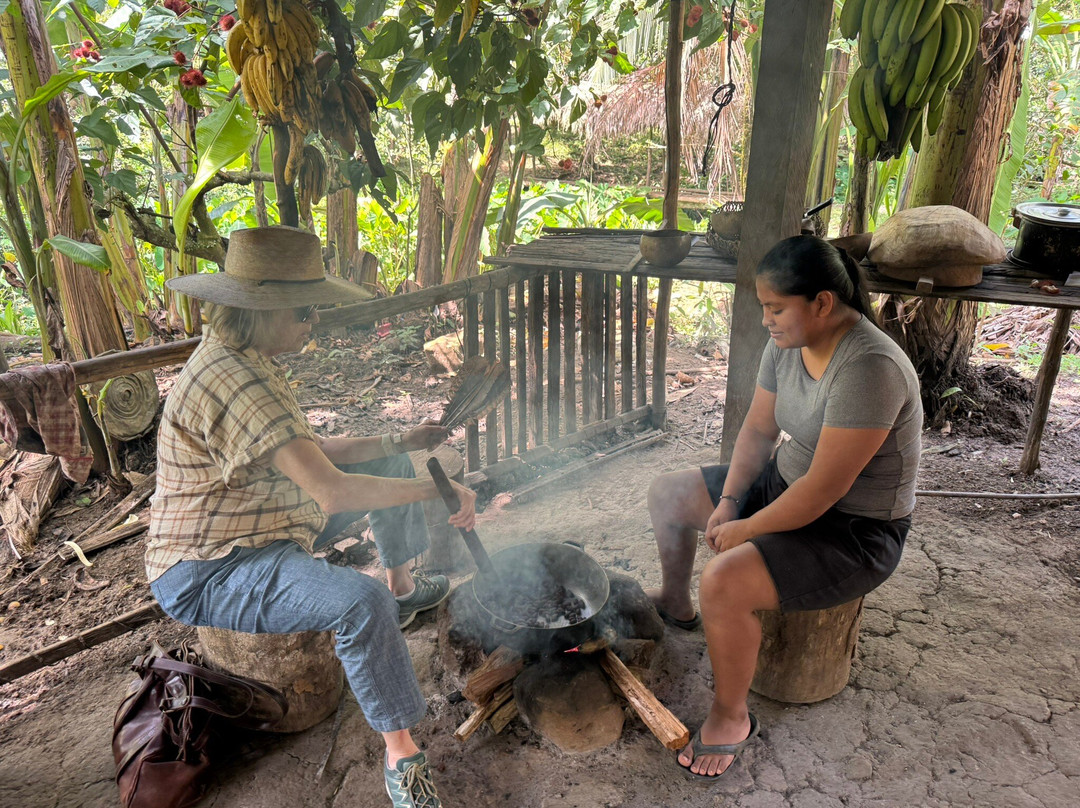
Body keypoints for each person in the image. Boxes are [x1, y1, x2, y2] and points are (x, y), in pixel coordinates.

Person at [146, 226, 473, 808]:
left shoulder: (248, 358)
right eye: (304, 311)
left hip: (263, 521)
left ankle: (402, 588)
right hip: (211, 566)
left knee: (394, 464)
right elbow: (332, 492)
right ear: (262, 309)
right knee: (358, 603)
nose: (312, 322)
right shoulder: (233, 378)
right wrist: (439, 491)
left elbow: (310, 449)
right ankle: (401, 755)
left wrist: (399, 438)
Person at [648, 235, 922, 780]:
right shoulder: (788, 345)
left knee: (724, 582)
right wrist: (729, 502)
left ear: (821, 302)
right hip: (784, 486)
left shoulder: (870, 368)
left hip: (854, 531)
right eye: (763, 309)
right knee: (668, 494)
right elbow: (757, 430)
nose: (768, 321)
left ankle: (731, 717)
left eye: (776, 308)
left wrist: (746, 528)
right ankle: (675, 603)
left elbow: (822, 492)